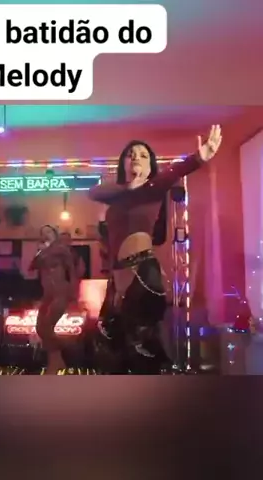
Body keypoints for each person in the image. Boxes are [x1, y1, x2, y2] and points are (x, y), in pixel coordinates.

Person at [88, 125, 222, 374]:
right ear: (123, 163)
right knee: (114, 344)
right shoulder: (115, 194)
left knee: (142, 344)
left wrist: (200, 157)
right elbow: (93, 192)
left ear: (150, 166)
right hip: (118, 277)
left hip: (142, 271)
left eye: (142, 155)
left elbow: (176, 171)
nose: (136, 158)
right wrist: (127, 187)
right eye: (130, 155)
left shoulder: (154, 188)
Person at [29, 225, 77, 374]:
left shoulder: (61, 250)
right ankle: (57, 361)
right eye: (43, 233)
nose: (46, 235)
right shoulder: (42, 252)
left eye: (48, 232)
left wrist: (73, 291)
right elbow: (31, 268)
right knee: (40, 328)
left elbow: (72, 270)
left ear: (55, 234)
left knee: (47, 327)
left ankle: (64, 351)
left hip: (60, 292)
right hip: (47, 295)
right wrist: (40, 252)